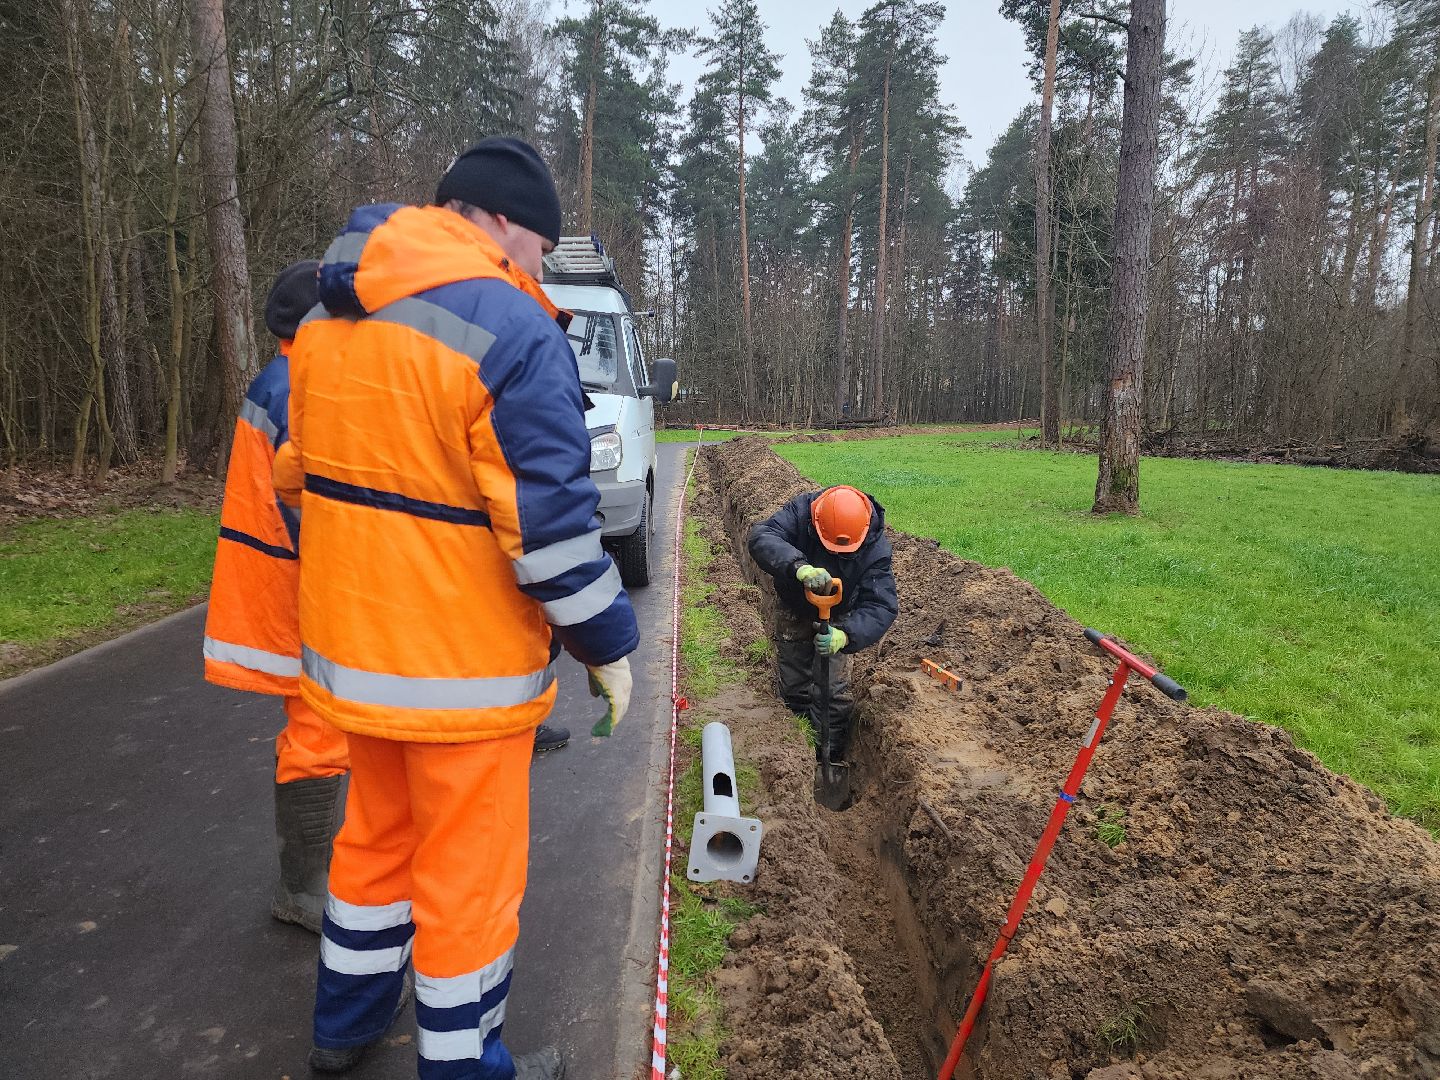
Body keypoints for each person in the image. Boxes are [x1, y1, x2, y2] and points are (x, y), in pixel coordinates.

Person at [276, 137, 637, 1080]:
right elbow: (551, 531)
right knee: (467, 883)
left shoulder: (330, 316)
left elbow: (296, 476)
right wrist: (606, 643)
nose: (541, 270)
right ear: (508, 224)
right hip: (462, 677)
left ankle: (344, 1027)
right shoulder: (511, 329)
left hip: (356, 661)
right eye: (542, 250)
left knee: (373, 847)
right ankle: (464, 1064)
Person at [202, 260, 351, 934]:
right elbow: (312, 504)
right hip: (302, 586)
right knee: (319, 731)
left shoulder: (283, 375)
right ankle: (303, 887)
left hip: (286, 581)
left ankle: (315, 874)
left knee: (319, 724)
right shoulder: (300, 384)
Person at [747, 485, 899, 767]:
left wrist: (846, 635)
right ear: (816, 524)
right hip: (795, 605)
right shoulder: (801, 512)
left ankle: (830, 753)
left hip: (840, 615)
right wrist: (799, 567)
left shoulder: (875, 548)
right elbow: (761, 536)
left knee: (833, 691)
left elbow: (882, 605)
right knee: (795, 682)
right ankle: (796, 750)